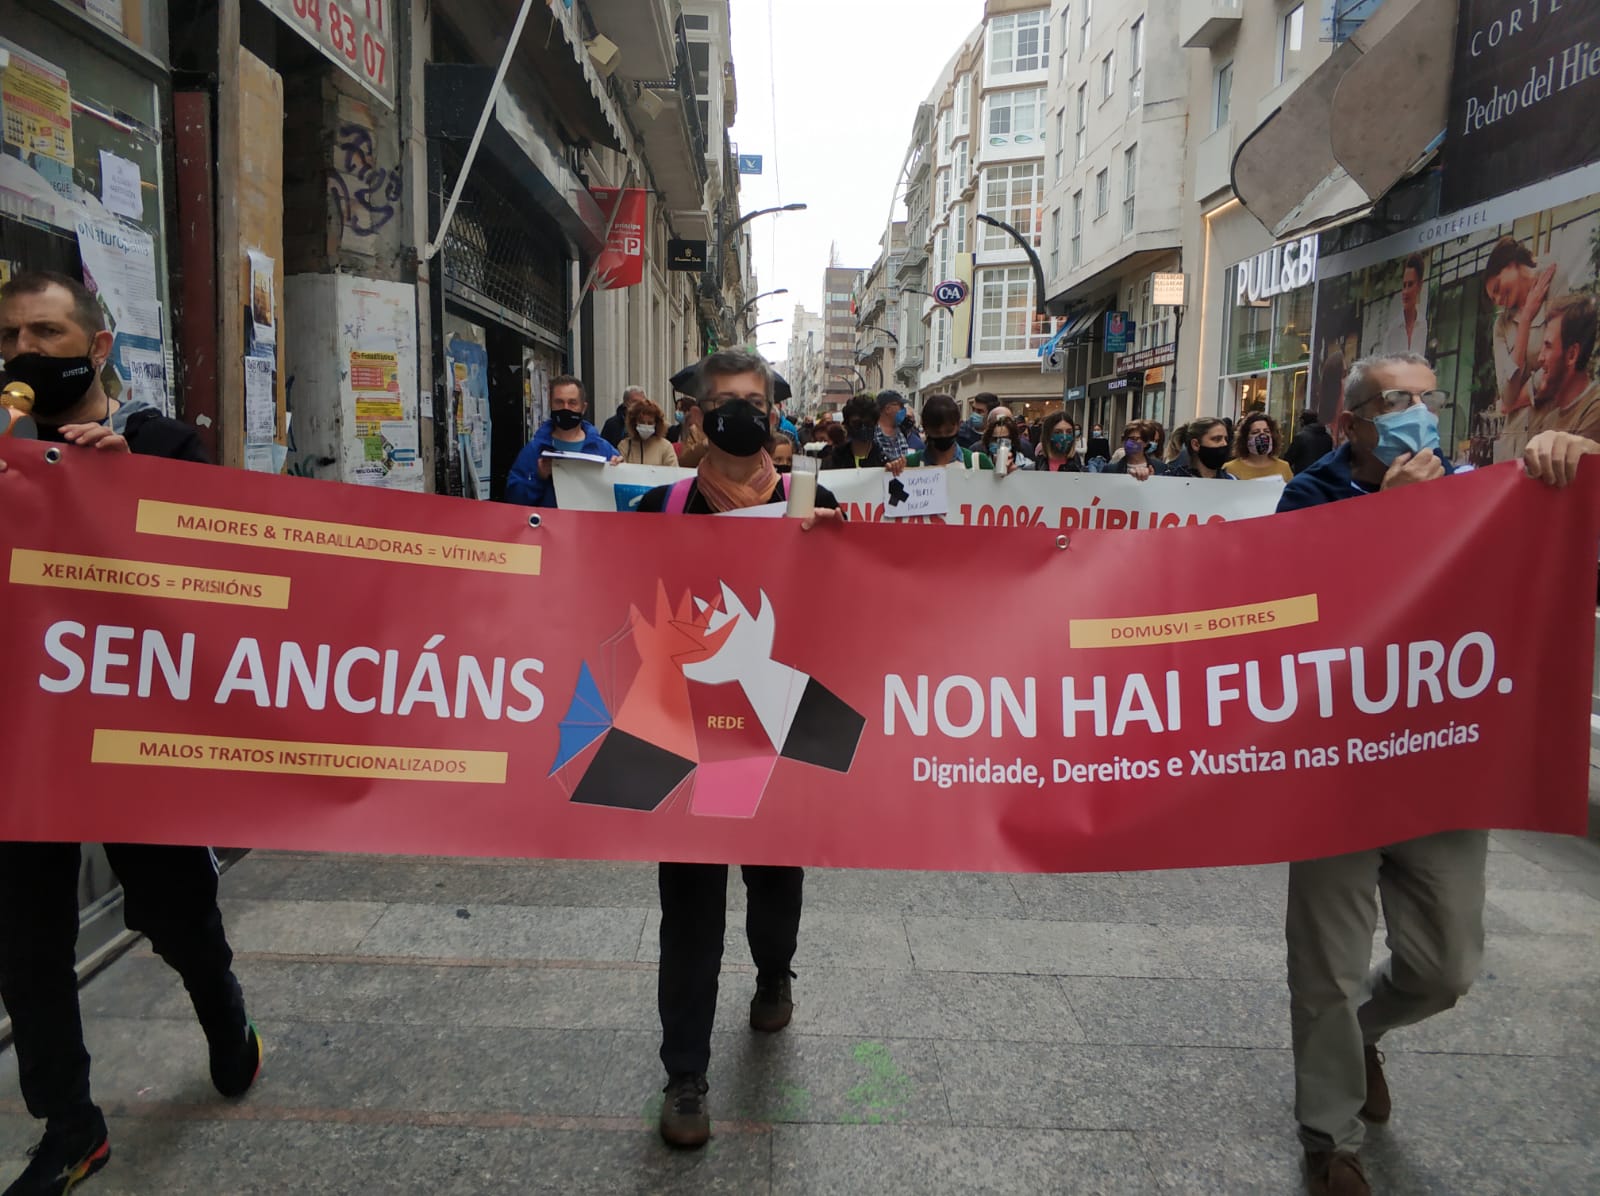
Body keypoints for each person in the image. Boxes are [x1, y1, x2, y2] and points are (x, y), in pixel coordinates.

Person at [0, 271, 262, 1196]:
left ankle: (223, 1013)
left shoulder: (164, 446)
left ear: (97, 347)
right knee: (26, 941)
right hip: (25, 743)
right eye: (11, 337)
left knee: (174, 910)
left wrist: (133, 490)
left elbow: (231, 572)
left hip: (134, 740)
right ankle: (70, 1125)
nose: (25, 352)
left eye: (45, 333)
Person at [1274, 354, 1487, 1196]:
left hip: (1437, 764)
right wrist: (1387, 520)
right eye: (1398, 401)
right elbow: (1300, 614)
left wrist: (1564, 456)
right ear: (1352, 421)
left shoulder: (1473, 490)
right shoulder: (1309, 496)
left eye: (1429, 400)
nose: (1419, 416)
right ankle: (1330, 1137)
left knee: (1447, 966)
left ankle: (1362, 1034)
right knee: (1325, 964)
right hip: (1335, 766)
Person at [633, 350, 841, 1150]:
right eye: (725, 402)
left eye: (755, 402)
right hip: (686, 735)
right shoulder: (656, 509)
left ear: (775, 415)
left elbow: (863, 608)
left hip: (782, 727)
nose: (741, 415)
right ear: (696, 417)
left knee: (776, 880)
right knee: (688, 907)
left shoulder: (814, 504)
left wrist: (839, 549)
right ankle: (685, 1075)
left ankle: (774, 971)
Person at [506, 376, 620, 507]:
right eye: (559, 402)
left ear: (583, 407)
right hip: (549, 520)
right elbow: (514, 500)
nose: (565, 408)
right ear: (551, 405)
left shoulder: (603, 450)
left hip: (589, 520)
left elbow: (621, 499)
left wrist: (619, 471)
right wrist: (539, 477)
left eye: (572, 403)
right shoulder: (534, 450)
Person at [1528, 292, 1600, 441]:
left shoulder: (1594, 410)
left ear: (1572, 355)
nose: (1540, 358)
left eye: (1548, 346)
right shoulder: (1550, 420)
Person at [906, 393, 984, 468]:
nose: (943, 435)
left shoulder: (978, 463)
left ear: (959, 425)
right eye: (936, 432)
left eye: (949, 431)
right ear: (925, 427)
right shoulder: (909, 464)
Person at [1381, 253, 1430, 357]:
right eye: (1404, 285)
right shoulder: (1392, 330)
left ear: (1419, 286)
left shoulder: (1424, 325)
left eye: (1410, 284)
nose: (1405, 291)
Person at [824, 394, 889, 470]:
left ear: (875, 424)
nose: (863, 428)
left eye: (868, 423)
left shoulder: (883, 459)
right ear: (847, 424)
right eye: (856, 423)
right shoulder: (834, 458)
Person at [1224, 412, 1294, 481]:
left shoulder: (1284, 467)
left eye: (1266, 431)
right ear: (1245, 438)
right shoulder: (1230, 468)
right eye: (1255, 432)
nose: (1262, 435)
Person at [1166, 417, 1235, 479]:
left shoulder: (1232, 480)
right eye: (1217, 439)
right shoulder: (1169, 480)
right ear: (1195, 444)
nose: (1224, 444)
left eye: (1226, 439)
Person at [618, 397, 678, 466]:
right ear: (634, 423)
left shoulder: (666, 447)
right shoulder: (624, 446)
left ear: (656, 424)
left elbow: (673, 470)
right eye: (642, 422)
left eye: (650, 423)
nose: (646, 426)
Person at [981, 407, 1031, 472]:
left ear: (1012, 441)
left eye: (1004, 439)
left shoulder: (1028, 466)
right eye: (995, 439)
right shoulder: (980, 466)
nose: (999, 444)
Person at [1285, 409, 1335, 475]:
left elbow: (1288, 460)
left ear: (1302, 421)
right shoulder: (1328, 438)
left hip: (1304, 476)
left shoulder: (1300, 437)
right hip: (1322, 476)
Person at [873, 390, 911, 466]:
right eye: (901, 406)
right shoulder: (873, 433)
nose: (904, 409)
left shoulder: (901, 432)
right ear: (887, 409)